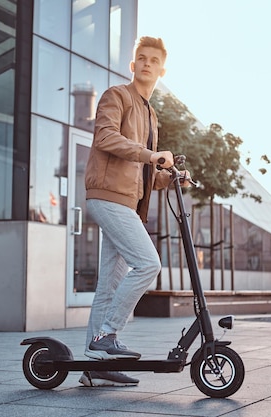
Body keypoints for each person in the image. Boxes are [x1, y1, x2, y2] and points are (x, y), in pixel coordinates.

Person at [79, 36, 190, 387]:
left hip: (125, 201)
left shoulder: (150, 114)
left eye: (153, 60)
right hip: (107, 196)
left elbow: (142, 174)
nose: (146, 64)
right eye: (140, 58)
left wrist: (170, 177)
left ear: (161, 70)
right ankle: (107, 334)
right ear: (133, 65)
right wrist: (149, 155)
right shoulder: (118, 96)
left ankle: (95, 364)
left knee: (109, 286)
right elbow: (105, 137)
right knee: (149, 264)